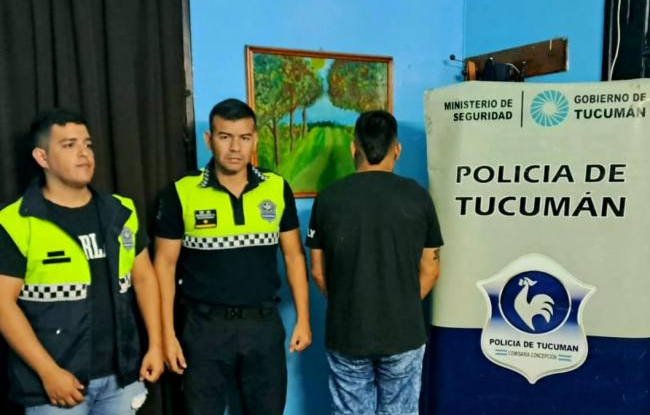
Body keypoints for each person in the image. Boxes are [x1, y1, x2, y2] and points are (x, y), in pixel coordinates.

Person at [0, 109, 164, 414]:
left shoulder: (120, 211)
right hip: (56, 385)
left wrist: (156, 344)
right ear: (42, 157)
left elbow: (144, 279)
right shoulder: (16, 221)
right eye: (69, 145)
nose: (84, 153)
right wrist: (48, 372)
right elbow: (3, 305)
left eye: (87, 144)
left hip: (122, 378)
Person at [154, 98, 311, 415]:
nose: (235, 147)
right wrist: (166, 335)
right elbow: (163, 266)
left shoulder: (276, 187)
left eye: (244, 137)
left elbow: (294, 256)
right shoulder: (182, 192)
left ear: (255, 139)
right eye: (225, 137)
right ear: (209, 140)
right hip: (203, 328)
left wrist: (303, 320)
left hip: (262, 325)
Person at [306, 110, 443, 415]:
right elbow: (431, 269)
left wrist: (348, 302)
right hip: (404, 331)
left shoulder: (328, 198)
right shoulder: (418, 196)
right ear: (397, 149)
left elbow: (317, 271)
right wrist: (402, 303)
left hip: (347, 331)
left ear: (353, 148)